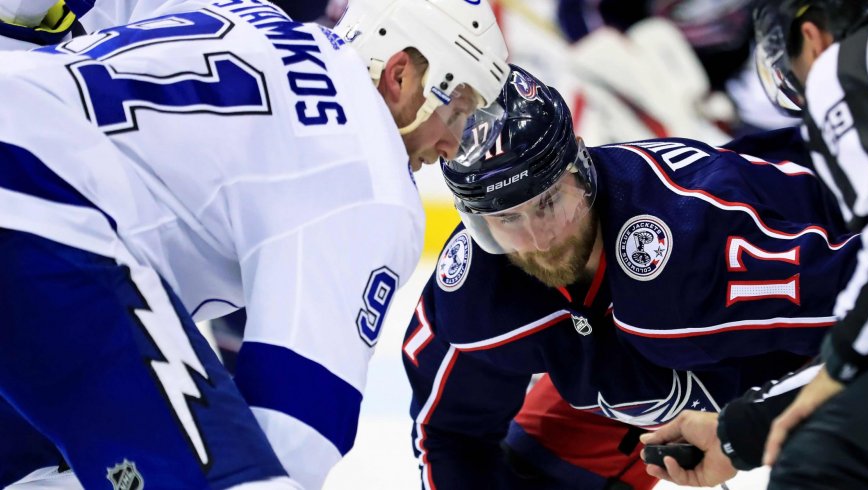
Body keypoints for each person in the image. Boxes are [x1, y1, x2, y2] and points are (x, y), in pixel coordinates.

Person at [0, 0, 509, 488]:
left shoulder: (242, 12)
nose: (451, 146)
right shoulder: (369, 175)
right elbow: (295, 430)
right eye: (459, 112)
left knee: (43, 455)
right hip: (43, 211)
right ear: (400, 74)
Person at [401, 64, 860, 490]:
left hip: (815, 335)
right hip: (636, 381)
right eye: (507, 219)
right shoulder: (476, 289)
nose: (540, 240)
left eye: (547, 202)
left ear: (580, 171)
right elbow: (450, 434)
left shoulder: (695, 243)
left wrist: (753, 425)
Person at [641, 0, 868, 488]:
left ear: (812, 36)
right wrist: (742, 431)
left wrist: (839, 363)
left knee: (821, 462)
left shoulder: (845, 66)